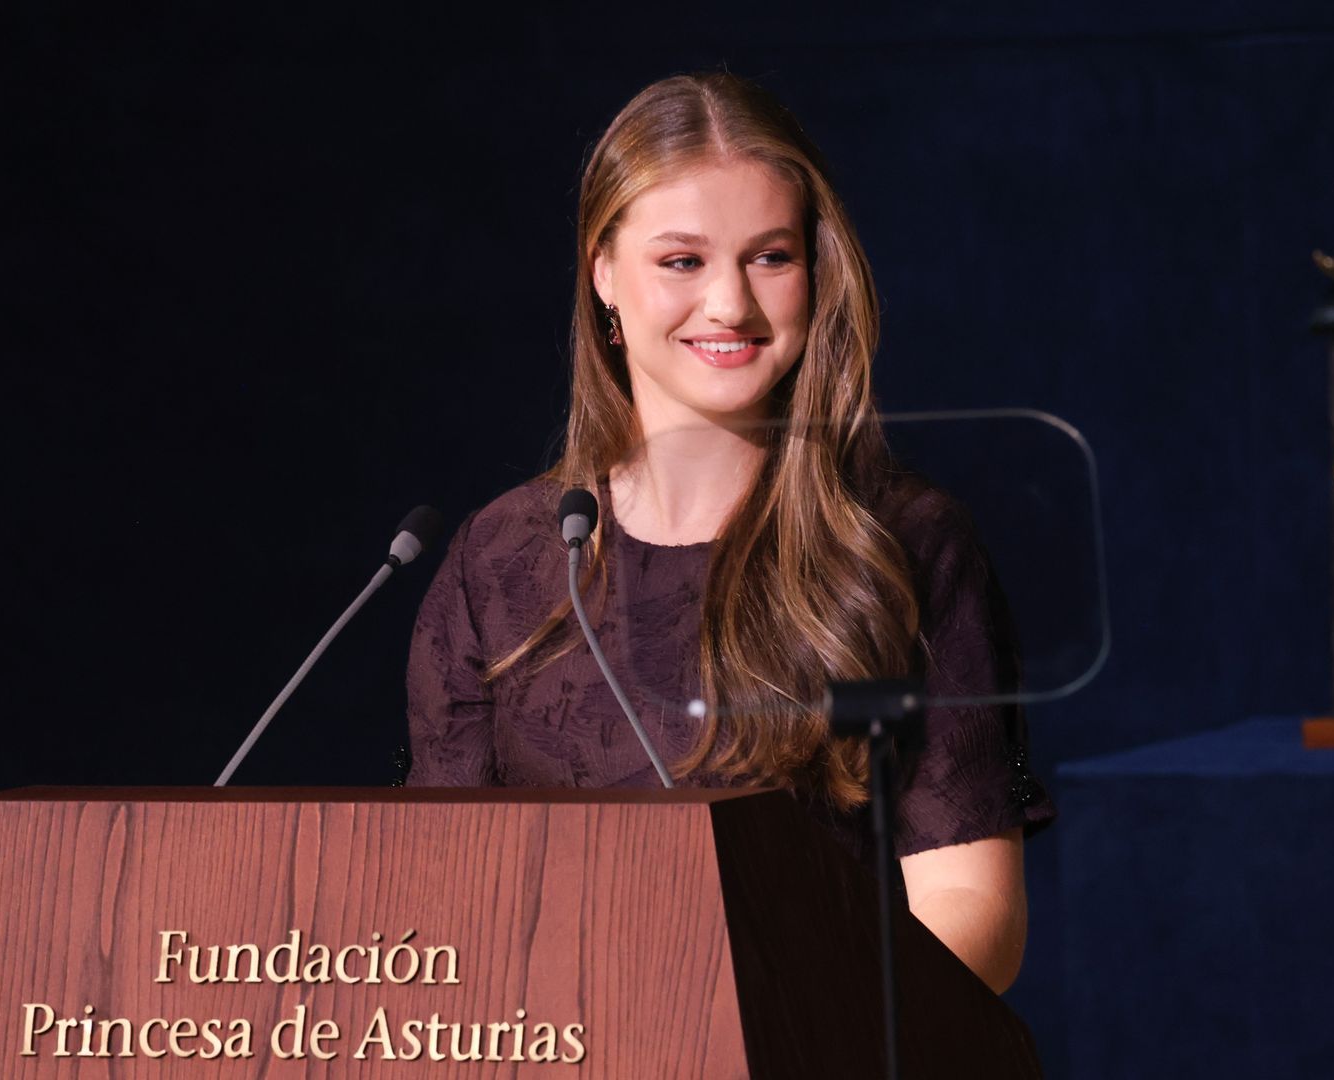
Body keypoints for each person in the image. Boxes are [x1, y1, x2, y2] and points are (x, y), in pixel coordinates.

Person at [402, 71, 1054, 995]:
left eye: (769, 257)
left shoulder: (906, 542)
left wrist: (794, 1035)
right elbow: (441, 900)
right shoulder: (499, 559)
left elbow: (972, 908)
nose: (730, 307)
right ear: (603, 277)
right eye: (682, 261)